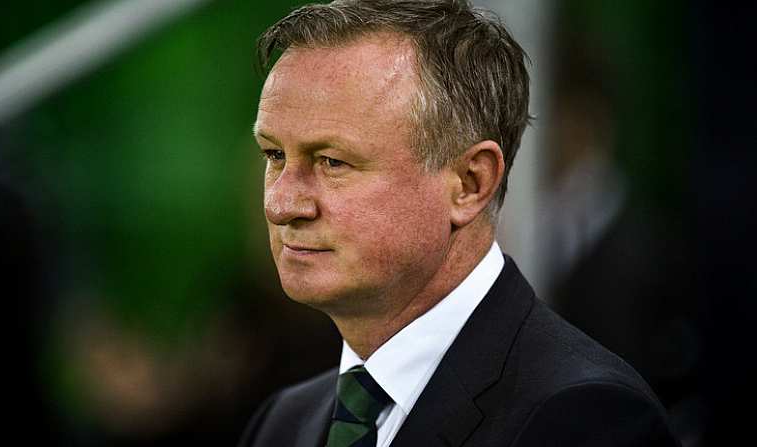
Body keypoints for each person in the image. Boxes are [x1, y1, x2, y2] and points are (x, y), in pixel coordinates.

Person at [239, 1, 680, 446]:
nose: (281, 204)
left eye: (332, 162)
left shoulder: (585, 419)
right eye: (274, 155)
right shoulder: (282, 424)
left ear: (471, 183)